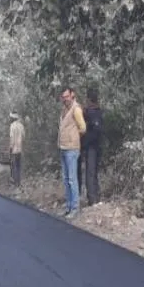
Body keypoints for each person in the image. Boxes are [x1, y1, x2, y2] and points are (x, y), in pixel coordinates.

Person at [58, 86, 86, 218]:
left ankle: (75, 208)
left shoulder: (76, 109)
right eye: (63, 97)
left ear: (72, 95)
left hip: (72, 149)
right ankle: (68, 206)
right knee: (65, 179)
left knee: (72, 179)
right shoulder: (64, 109)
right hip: (63, 148)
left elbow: (83, 128)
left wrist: (73, 138)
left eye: (67, 96)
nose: (65, 99)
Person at [81, 87, 103, 206]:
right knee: (93, 172)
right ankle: (95, 197)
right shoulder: (98, 112)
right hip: (96, 146)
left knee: (91, 172)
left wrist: (84, 144)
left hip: (91, 147)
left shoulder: (89, 113)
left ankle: (93, 199)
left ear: (88, 99)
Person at [9, 112, 25, 186]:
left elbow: (12, 138)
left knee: (14, 165)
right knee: (19, 166)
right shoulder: (21, 125)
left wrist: (11, 148)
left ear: (12, 118)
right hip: (20, 149)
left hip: (14, 149)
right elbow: (24, 136)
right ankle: (19, 182)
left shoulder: (12, 126)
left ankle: (15, 182)